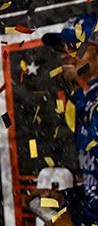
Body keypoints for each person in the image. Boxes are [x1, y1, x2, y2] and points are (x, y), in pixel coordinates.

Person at [35, 12, 98, 225]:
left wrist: (73, 221)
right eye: (61, 48)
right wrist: (66, 199)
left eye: (74, 46)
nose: (64, 55)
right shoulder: (85, 103)